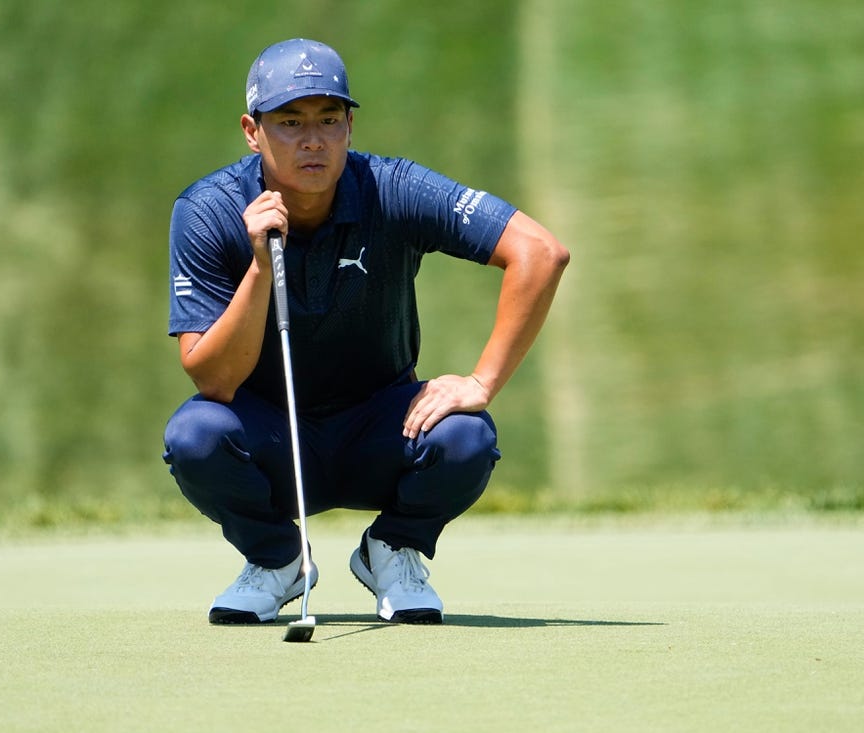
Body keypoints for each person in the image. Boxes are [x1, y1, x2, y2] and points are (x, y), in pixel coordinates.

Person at [162, 38, 569, 625]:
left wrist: (482, 381)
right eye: (290, 122)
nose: (312, 140)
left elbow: (540, 252)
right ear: (252, 131)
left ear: (350, 126)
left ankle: (393, 551)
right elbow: (215, 380)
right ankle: (278, 561)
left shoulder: (391, 187)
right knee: (195, 435)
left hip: (380, 426)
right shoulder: (208, 210)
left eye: (329, 120)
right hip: (272, 435)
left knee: (465, 436)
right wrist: (258, 266)